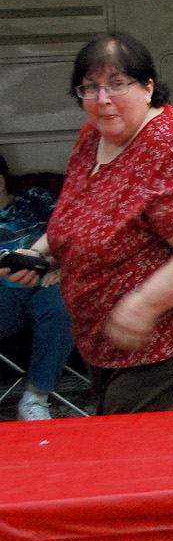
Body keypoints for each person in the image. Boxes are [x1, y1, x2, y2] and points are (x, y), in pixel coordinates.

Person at [20, 33, 173, 415]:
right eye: (90, 88)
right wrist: (41, 253)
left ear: (148, 87)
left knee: (144, 464)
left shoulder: (170, 147)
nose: (103, 100)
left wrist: (145, 304)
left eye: (117, 84)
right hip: (118, 348)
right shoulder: (94, 135)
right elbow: (85, 212)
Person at [0, 151, 75, 420]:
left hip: (44, 285)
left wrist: (63, 266)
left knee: (61, 302)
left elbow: (70, 231)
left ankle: (35, 399)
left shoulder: (35, 199)